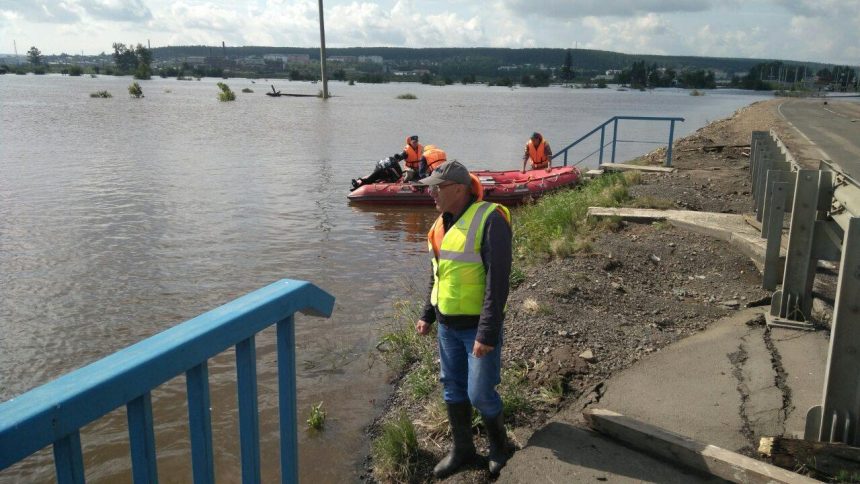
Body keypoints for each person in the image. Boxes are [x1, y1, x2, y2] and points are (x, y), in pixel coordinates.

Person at [414, 160, 513, 478]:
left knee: (480, 392)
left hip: (476, 329)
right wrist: (427, 315)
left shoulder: (490, 219)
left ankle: (500, 447)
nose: (430, 193)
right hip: (446, 326)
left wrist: (487, 332)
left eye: (436, 187)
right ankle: (463, 450)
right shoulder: (439, 225)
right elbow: (438, 275)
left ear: (458, 189)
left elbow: (497, 282)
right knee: (452, 388)